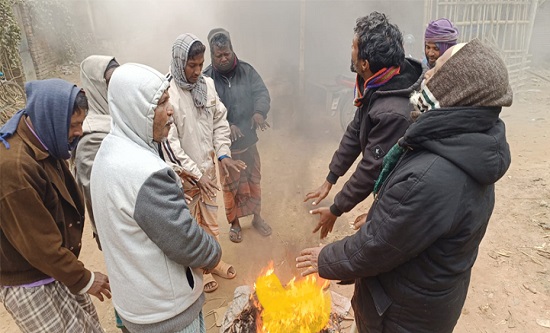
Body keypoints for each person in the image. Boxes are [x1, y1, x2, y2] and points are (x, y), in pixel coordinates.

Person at [297, 38, 512, 332]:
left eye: (438, 69)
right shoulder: (468, 143)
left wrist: (328, 258)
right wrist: (380, 213)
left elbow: (377, 246)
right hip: (427, 300)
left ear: (457, 87)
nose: (427, 73)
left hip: (402, 315)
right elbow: (410, 227)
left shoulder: (433, 174)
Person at [90, 63, 222, 333]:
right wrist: (214, 253)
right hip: (168, 315)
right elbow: (184, 241)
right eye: (161, 103)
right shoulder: (146, 173)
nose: (170, 109)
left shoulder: (107, 152)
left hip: (137, 308)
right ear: (137, 110)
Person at [0, 79, 111, 332]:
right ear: (52, 120)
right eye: (73, 125)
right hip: (31, 281)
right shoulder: (15, 169)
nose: (80, 132)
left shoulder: (43, 136)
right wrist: (84, 279)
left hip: (57, 266)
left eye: (81, 123)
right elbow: (38, 245)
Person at [304, 12, 423, 238]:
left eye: (353, 46)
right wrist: (331, 178)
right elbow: (355, 131)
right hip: (391, 179)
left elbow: (371, 169)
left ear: (365, 63)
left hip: (405, 189)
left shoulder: (392, 111)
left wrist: (336, 208)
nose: (350, 50)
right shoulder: (380, 81)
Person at [161, 33, 245, 293]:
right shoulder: (166, 93)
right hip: (183, 177)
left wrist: (224, 154)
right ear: (178, 62)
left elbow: (219, 120)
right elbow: (169, 142)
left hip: (207, 170)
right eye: (192, 65)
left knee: (210, 219)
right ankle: (199, 269)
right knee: (190, 224)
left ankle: (213, 261)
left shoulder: (207, 85)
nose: (198, 71)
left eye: (200, 64)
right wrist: (196, 175)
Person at [203, 28, 272, 244]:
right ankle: (234, 223)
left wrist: (259, 112)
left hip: (249, 143)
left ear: (232, 50)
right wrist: (227, 125)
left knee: (254, 182)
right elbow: (206, 112)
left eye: (227, 53)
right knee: (231, 188)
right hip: (227, 151)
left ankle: (257, 218)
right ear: (212, 56)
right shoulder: (206, 80)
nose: (224, 59)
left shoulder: (247, 70)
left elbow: (261, 92)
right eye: (219, 55)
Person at [73, 55, 120, 249]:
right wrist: (104, 234)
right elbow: (94, 195)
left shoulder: (119, 115)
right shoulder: (90, 136)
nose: (116, 88)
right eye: (109, 82)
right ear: (95, 86)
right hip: (117, 227)